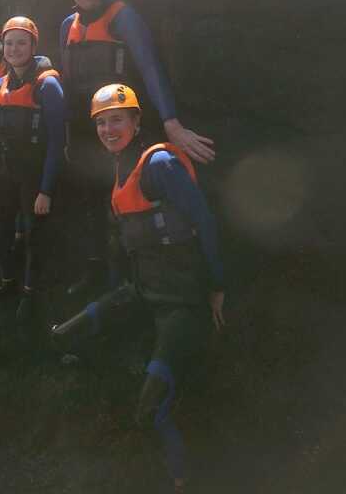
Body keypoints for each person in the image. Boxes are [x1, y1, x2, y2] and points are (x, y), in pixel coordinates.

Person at [51, 84, 225, 494]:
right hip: (142, 291)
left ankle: (184, 480)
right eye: (101, 122)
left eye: (116, 119)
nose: (108, 129)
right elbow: (126, 248)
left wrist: (218, 287)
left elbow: (206, 221)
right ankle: (126, 378)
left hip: (182, 304)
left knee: (149, 412)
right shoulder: (119, 170)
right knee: (62, 338)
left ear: (135, 121)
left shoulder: (159, 164)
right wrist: (116, 297)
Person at [59, 0, 216, 298]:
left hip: (124, 129)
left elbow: (150, 69)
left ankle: (132, 282)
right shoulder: (68, 27)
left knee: (127, 206)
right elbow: (69, 85)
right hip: (88, 134)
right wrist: (69, 139)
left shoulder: (123, 18)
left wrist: (171, 123)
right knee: (90, 206)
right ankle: (97, 274)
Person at [0, 16, 65, 322]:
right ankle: (7, 281)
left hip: (34, 174)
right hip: (5, 170)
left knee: (34, 236)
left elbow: (57, 142)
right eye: (9, 42)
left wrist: (45, 190)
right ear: (2, 45)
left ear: (33, 46)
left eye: (22, 42)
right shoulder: (1, 84)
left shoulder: (48, 85)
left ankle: (30, 293)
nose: (14, 49)